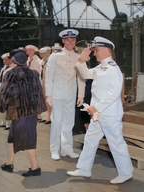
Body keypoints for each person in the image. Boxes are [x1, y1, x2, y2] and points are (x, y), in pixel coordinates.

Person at [67, 36, 133, 184]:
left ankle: (126, 172)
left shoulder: (113, 69)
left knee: (116, 142)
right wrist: (82, 60)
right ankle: (84, 168)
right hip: (98, 114)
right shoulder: (99, 68)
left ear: (105, 50)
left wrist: (96, 107)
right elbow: (85, 74)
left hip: (109, 114)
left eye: (95, 50)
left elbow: (114, 93)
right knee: (90, 140)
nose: (94, 54)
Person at [0, 51, 47, 177]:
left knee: (28, 139)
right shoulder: (34, 73)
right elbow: (39, 92)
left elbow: (3, 93)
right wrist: (40, 109)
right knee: (13, 137)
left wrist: (3, 107)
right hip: (31, 112)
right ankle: (9, 163)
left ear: (14, 61)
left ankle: (35, 167)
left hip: (18, 112)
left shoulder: (11, 74)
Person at [45, 29, 85, 160]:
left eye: (73, 39)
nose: (70, 42)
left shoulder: (78, 56)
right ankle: (54, 149)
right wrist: (48, 95)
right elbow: (48, 76)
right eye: (67, 39)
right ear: (63, 41)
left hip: (71, 94)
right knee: (56, 121)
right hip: (57, 93)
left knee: (69, 122)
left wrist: (81, 95)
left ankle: (66, 149)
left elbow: (81, 77)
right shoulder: (55, 56)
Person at [0, 53, 15, 130]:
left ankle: (9, 124)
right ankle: (3, 122)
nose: (4, 61)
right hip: (1, 90)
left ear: (10, 59)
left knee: (8, 107)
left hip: (8, 91)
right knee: (2, 107)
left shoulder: (12, 69)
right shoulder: (4, 68)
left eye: (6, 59)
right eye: (3, 60)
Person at [39, 46, 52, 124]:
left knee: (49, 102)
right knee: (44, 101)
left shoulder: (50, 61)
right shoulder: (43, 61)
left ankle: (49, 118)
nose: (42, 55)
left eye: (43, 53)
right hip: (43, 82)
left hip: (48, 84)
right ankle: (45, 117)